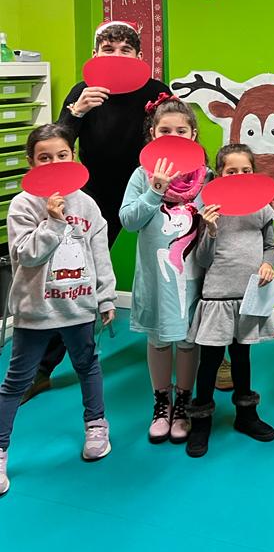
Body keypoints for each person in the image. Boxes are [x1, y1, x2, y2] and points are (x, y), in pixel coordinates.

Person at [23, 21, 169, 402]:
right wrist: (76, 112)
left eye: (125, 50)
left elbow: (176, 135)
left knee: (183, 266)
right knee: (75, 276)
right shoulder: (81, 91)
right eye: (109, 49)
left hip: (149, 190)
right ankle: (41, 370)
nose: (117, 56)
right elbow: (56, 148)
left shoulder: (155, 91)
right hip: (95, 194)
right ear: (95, 55)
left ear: (140, 56)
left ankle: (211, 353)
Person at [0, 124, 116, 497]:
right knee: (16, 380)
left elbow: (99, 254)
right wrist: (51, 221)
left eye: (61, 155)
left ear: (73, 157)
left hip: (78, 306)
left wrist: (106, 297)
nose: (54, 163)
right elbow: (26, 255)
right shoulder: (22, 205)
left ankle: (96, 425)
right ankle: (0, 450)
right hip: (36, 310)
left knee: (87, 365)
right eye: (44, 157)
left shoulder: (86, 203)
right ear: (30, 163)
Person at [119, 96, 207, 445]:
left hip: (192, 277)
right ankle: (161, 403)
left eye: (181, 131)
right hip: (157, 278)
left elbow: (216, 223)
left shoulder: (205, 177)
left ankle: (183, 402)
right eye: (165, 130)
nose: (173, 136)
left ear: (193, 134)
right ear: (153, 134)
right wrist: (155, 190)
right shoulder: (141, 176)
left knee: (187, 341)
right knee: (158, 340)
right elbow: (128, 221)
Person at [185, 144, 274, 457]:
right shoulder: (210, 209)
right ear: (220, 175)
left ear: (254, 173)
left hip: (248, 297)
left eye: (246, 170)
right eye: (231, 171)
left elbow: (271, 247)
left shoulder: (262, 208)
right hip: (217, 298)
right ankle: (201, 420)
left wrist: (268, 264)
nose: (239, 175)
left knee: (242, 358)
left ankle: (246, 415)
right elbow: (202, 259)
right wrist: (210, 230)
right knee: (210, 361)